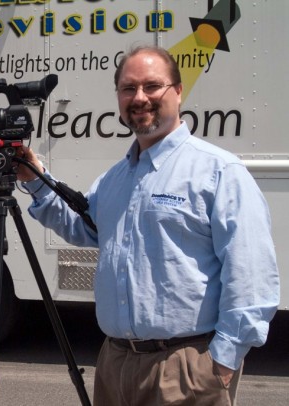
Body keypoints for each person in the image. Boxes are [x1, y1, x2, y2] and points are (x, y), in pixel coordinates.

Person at [15, 45, 279, 405]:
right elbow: (85, 229)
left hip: (187, 366)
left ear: (178, 91)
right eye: (128, 88)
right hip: (115, 361)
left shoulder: (218, 172)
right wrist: (35, 179)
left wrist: (224, 359)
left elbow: (251, 272)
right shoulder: (115, 178)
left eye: (152, 86)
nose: (139, 98)